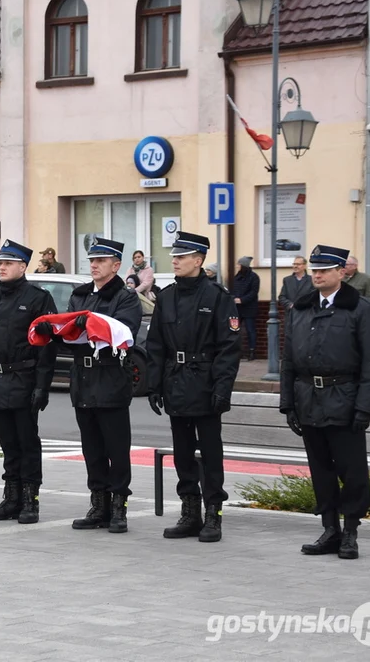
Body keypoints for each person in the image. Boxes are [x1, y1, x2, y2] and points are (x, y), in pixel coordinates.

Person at [281, 245, 370, 560]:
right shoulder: (299, 309)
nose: (317, 275)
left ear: (341, 272)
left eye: (324, 270)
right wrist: (288, 404)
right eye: (314, 270)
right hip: (308, 400)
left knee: (352, 471)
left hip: (345, 400)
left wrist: (365, 408)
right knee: (321, 470)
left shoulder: (362, 309)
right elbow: (289, 361)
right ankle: (330, 530)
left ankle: (350, 532)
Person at [147, 232, 241, 543]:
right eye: (174, 255)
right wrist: (154, 384)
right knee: (183, 453)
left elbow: (229, 347)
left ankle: (214, 513)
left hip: (205, 381)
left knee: (211, 453)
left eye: (182, 256)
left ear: (198, 260)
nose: (174, 260)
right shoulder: (167, 296)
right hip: (176, 380)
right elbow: (156, 345)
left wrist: (222, 388)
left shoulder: (217, 296)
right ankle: (190, 512)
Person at [46, 238, 143, 533]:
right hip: (84, 380)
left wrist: (86, 326)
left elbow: (122, 333)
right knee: (92, 448)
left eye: (101, 261)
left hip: (111, 377)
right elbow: (71, 331)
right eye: (91, 260)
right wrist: (55, 332)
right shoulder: (80, 294)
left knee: (116, 447)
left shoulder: (126, 298)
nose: (94, 265)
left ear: (116, 265)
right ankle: (98, 503)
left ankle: (118, 507)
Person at [0, 240, 58, 524]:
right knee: (8, 445)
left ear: (22, 267)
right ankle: (10, 498)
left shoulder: (37, 297)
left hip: (24, 379)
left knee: (27, 444)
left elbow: (46, 346)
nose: (2, 267)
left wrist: (41, 386)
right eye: (0, 263)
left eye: (8, 263)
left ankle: (29, 500)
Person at [231, 256, 260, 360]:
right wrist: (234, 299)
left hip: (249, 308)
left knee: (250, 330)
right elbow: (233, 290)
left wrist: (242, 300)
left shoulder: (254, 277)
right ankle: (237, 352)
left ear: (243, 266)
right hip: (237, 309)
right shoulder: (236, 277)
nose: (237, 266)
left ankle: (252, 351)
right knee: (235, 330)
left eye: (239, 265)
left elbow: (253, 292)